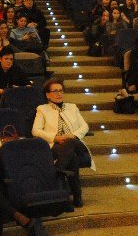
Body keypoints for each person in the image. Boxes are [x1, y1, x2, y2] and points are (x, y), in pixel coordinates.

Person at [32, 77, 93, 208]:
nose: (59, 94)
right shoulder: (42, 109)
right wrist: (55, 137)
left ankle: (58, 172)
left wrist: (72, 135)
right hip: (55, 146)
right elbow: (35, 131)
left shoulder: (72, 107)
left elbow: (85, 127)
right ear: (48, 95)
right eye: (55, 91)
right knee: (73, 159)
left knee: (70, 143)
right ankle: (76, 196)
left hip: (76, 145)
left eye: (61, 90)